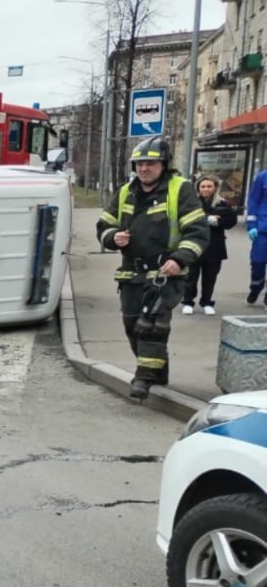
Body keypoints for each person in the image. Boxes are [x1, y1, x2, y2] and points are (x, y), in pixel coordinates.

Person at [96, 136, 210, 400]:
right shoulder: (126, 191)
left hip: (164, 273)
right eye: (139, 164)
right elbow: (104, 225)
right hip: (131, 273)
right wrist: (112, 237)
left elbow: (197, 231)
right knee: (132, 326)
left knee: (152, 327)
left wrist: (180, 258)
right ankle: (158, 372)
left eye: (150, 163)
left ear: (164, 164)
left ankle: (144, 379)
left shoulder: (180, 189)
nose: (144, 168)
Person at [181, 175, 237, 316]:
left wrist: (217, 222)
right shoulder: (191, 203)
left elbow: (231, 220)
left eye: (209, 186)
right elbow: (185, 218)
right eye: (203, 186)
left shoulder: (222, 204)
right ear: (198, 188)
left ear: (215, 187)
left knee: (210, 277)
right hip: (195, 244)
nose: (206, 189)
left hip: (215, 246)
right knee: (191, 276)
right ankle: (188, 302)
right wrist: (207, 218)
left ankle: (206, 302)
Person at [246, 165, 267, 304]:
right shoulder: (263, 177)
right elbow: (254, 200)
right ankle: (256, 288)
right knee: (258, 262)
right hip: (262, 228)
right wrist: (252, 225)